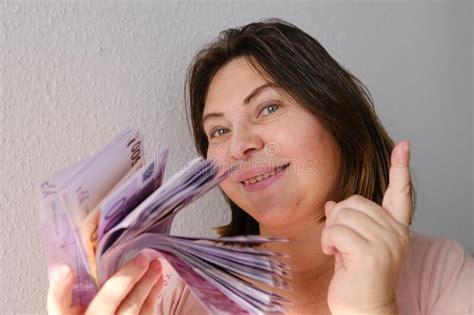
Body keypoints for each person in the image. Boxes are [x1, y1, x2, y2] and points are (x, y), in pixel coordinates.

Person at [47, 19, 473, 315]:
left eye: (268, 108)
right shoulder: (167, 286)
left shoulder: (442, 270)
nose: (240, 146)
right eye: (218, 131)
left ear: (337, 116)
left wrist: (371, 307)